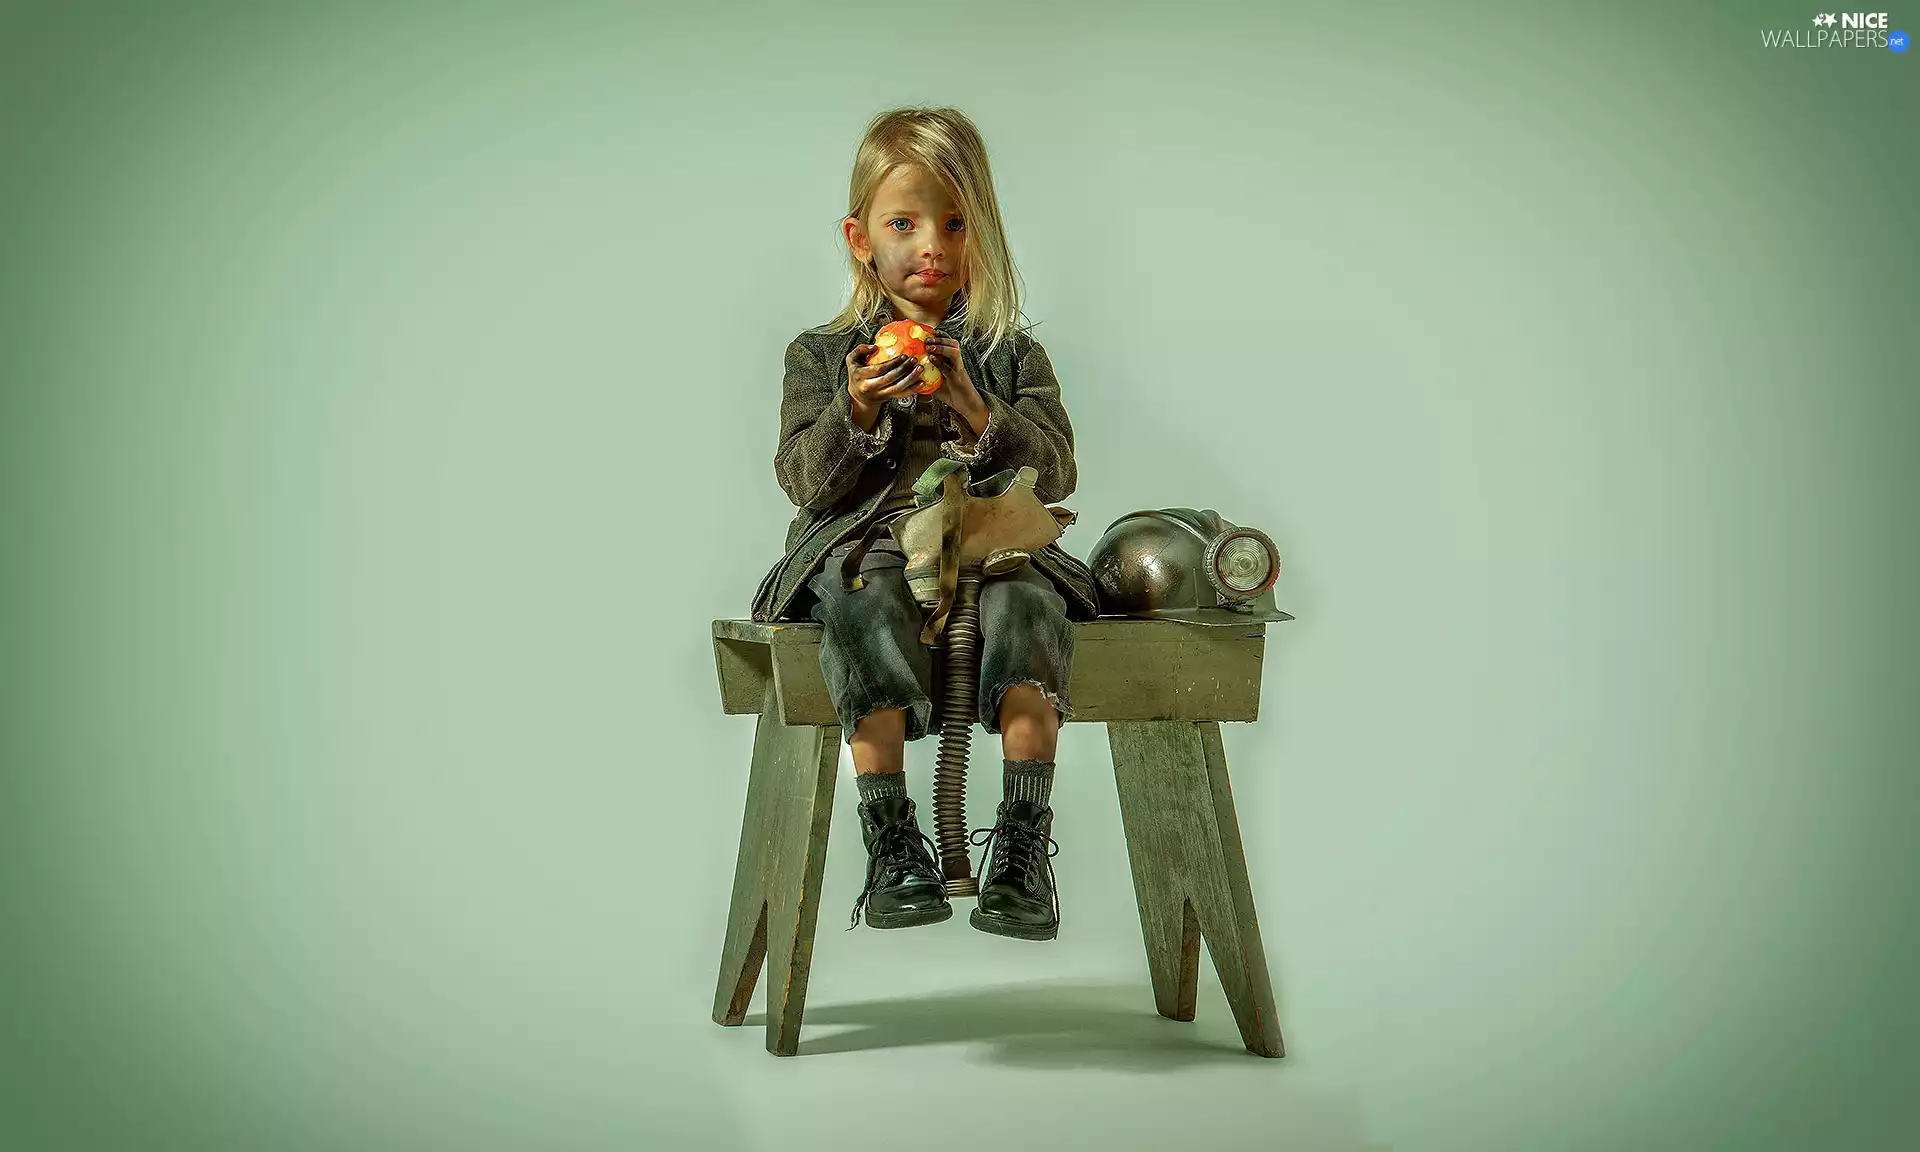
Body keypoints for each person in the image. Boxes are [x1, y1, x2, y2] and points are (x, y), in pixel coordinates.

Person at [748, 107, 1099, 942]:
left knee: (1027, 610)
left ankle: (1019, 841)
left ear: (980, 237)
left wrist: (979, 408)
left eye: (952, 223)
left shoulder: (1011, 355)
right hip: (868, 552)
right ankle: (893, 836)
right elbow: (801, 476)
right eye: (903, 223)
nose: (929, 244)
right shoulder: (820, 354)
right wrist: (857, 404)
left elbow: (1056, 468)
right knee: (862, 602)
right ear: (861, 238)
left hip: (990, 551)